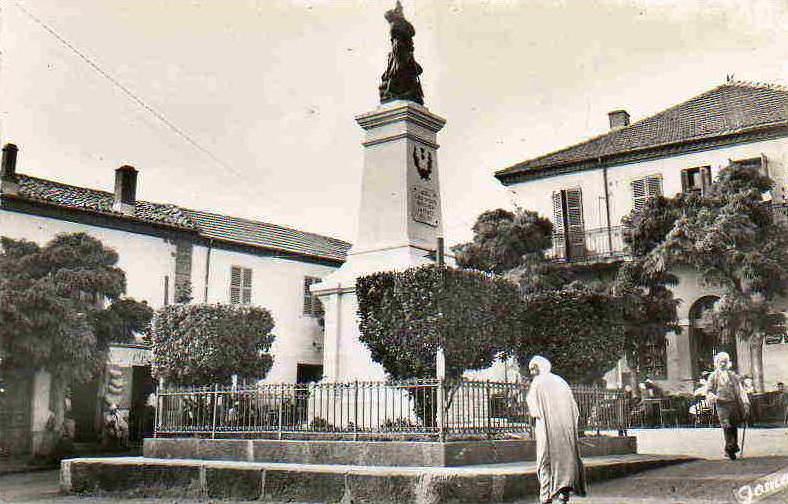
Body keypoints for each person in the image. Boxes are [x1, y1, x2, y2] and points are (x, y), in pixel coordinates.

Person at [526, 356, 587, 503]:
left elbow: (533, 408)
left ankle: (545, 497)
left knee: (545, 460)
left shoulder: (538, 382)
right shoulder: (561, 381)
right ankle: (563, 495)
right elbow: (574, 409)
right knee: (565, 461)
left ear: (540, 367)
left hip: (546, 428)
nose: (533, 372)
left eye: (534, 368)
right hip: (564, 430)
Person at [706, 352, 750, 460]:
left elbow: (740, 390)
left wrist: (745, 403)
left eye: (725, 362)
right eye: (720, 362)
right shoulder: (713, 376)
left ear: (727, 363)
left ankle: (731, 447)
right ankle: (730, 448)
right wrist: (713, 397)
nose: (722, 364)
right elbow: (709, 391)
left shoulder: (733, 376)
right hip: (721, 405)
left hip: (733, 403)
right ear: (716, 363)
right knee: (726, 426)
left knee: (734, 425)